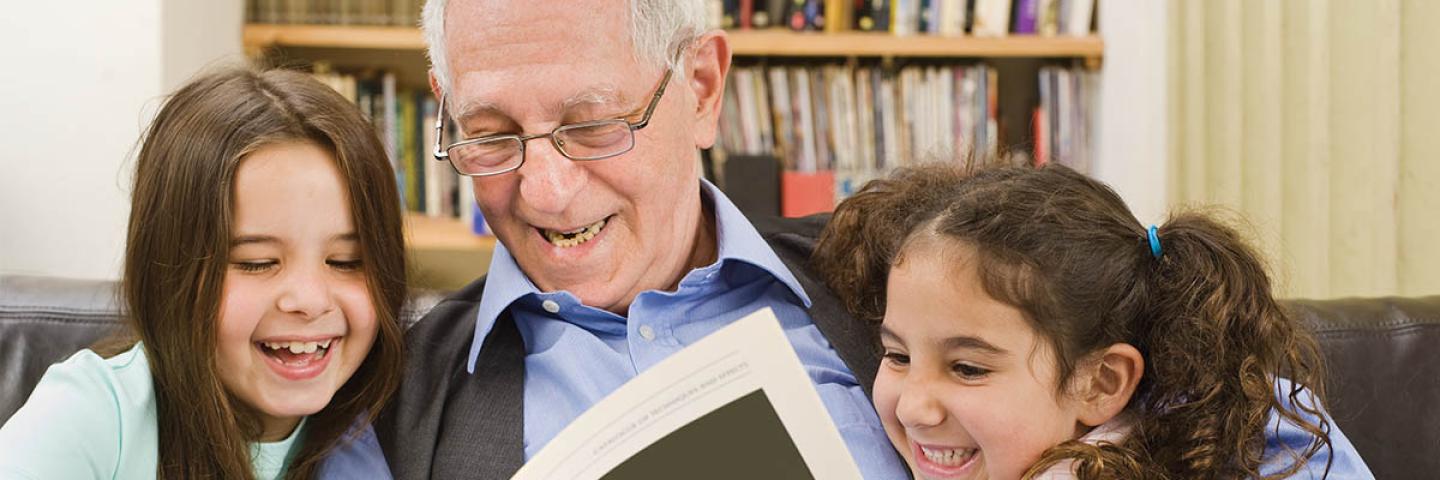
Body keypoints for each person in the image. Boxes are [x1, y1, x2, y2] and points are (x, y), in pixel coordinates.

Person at [322, 0, 908, 478]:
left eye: (594, 126)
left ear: (701, 88)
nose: (546, 193)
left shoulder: (888, 285)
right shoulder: (387, 410)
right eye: (491, 135)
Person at [813, 163, 1374, 478]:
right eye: (898, 356)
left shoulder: (1267, 446)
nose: (913, 406)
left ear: (1100, 383)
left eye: (967, 368)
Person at [0, 67, 408, 479]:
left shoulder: (404, 427)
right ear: (170, 269)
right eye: (257, 262)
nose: (310, 300)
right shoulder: (90, 413)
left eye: (346, 261)